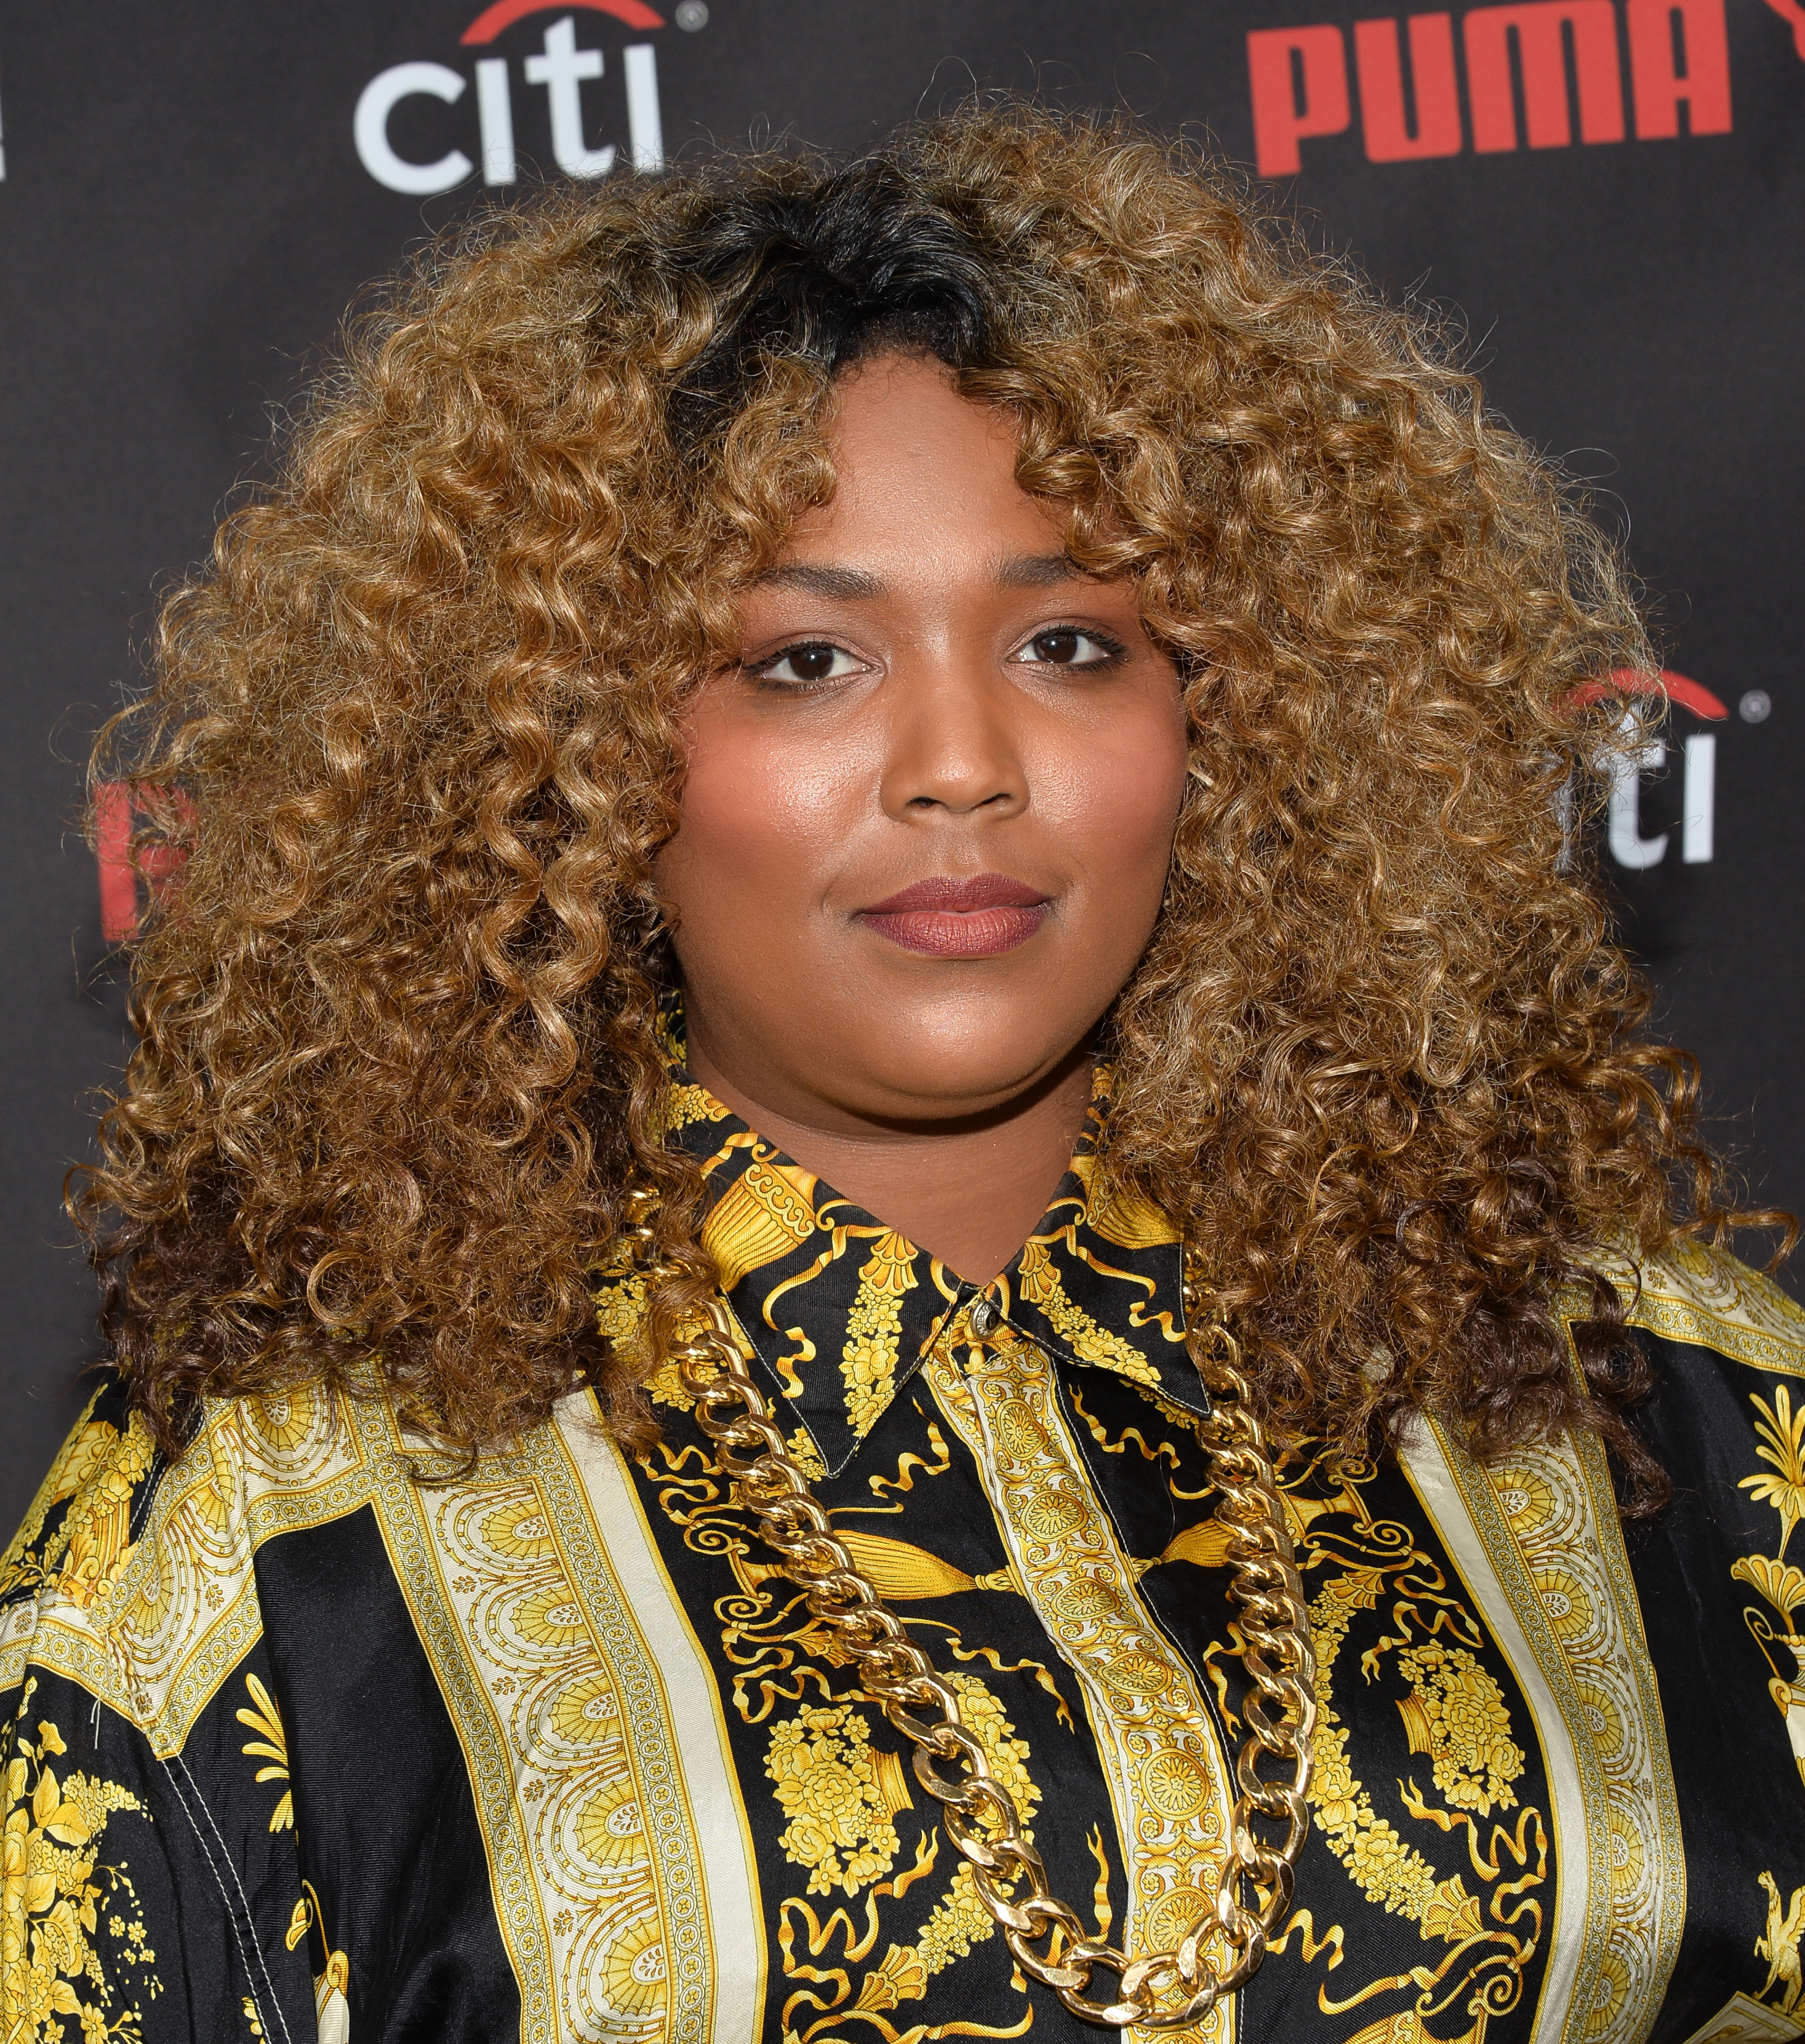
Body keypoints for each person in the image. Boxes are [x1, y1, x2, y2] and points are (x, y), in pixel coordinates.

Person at [2, 108, 1801, 2044]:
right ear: (567, 760)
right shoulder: (269, 1545)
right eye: (803, 662)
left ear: (1239, 721)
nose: (960, 760)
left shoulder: (1667, 1403)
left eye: (1067, 640)